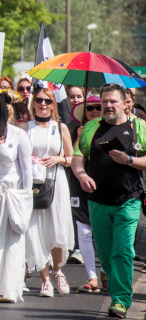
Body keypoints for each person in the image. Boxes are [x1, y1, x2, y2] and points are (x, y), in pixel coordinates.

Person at [71, 84, 146, 319]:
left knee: (123, 251)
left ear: (126, 103)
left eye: (113, 101)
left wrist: (129, 160)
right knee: (104, 254)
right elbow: (77, 158)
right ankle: (117, 291)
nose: (108, 106)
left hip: (129, 199)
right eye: (104, 102)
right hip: (98, 201)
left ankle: (120, 300)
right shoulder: (92, 127)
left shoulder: (139, 127)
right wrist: (82, 175)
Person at [0, 89, 33, 303]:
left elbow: (27, 170)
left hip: (12, 195)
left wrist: (26, 198)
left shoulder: (19, 135)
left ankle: (8, 288)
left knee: (11, 241)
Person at [25, 85, 75, 297]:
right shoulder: (24, 128)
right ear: (33, 103)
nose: (43, 104)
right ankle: (45, 278)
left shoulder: (60, 127)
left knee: (56, 228)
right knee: (34, 230)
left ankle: (57, 270)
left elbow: (73, 158)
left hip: (55, 182)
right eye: (39, 100)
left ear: (53, 105)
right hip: (32, 184)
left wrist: (58, 159)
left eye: (47, 101)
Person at [70, 94, 102, 291]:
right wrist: (80, 137)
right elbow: (71, 157)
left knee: (103, 235)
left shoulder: (109, 129)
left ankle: (106, 272)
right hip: (80, 186)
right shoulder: (76, 130)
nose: (94, 111)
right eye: (90, 108)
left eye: (98, 107)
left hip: (104, 186)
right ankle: (92, 277)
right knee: (84, 233)